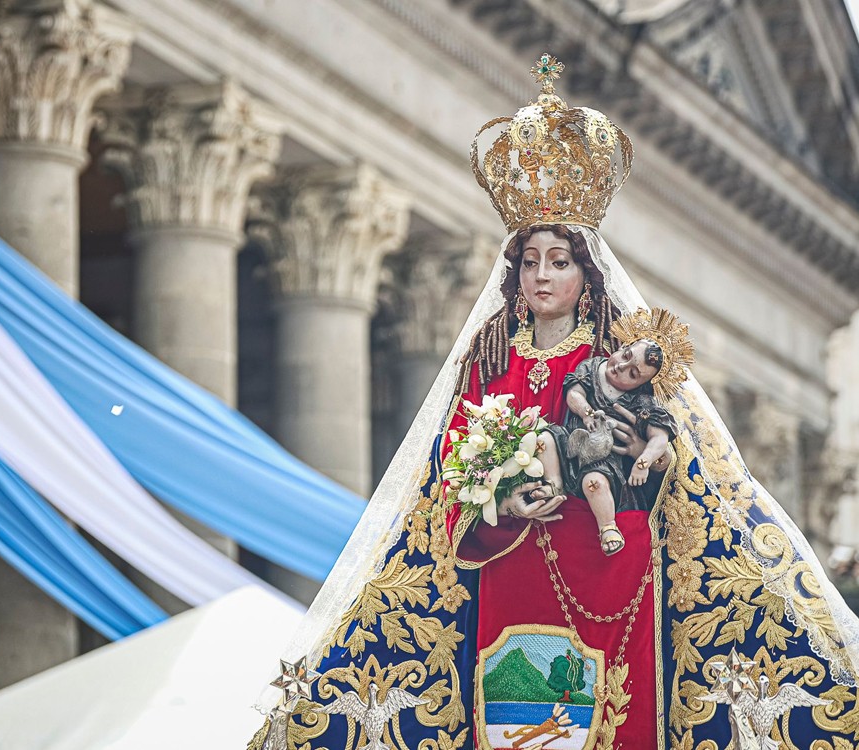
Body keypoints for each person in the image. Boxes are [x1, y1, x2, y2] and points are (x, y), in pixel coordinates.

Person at [251, 54, 859, 750]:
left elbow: (687, 477)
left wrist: (640, 461)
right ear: (514, 273)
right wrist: (499, 503)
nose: (543, 275)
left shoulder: (620, 360)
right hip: (509, 569)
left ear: (586, 275)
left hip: (605, 570)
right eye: (531, 261)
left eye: (559, 261)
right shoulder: (486, 364)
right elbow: (444, 480)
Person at [536, 309, 691, 556]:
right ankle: (553, 485)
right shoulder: (593, 366)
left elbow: (660, 437)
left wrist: (644, 461)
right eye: (626, 355)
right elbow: (573, 394)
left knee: (595, 483)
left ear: (644, 384)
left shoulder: (641, 402)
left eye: (632, 373)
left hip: (605, 460)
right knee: (544, 439)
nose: (620, 366)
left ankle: (608, 527)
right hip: (573, 442)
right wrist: (586, 412)